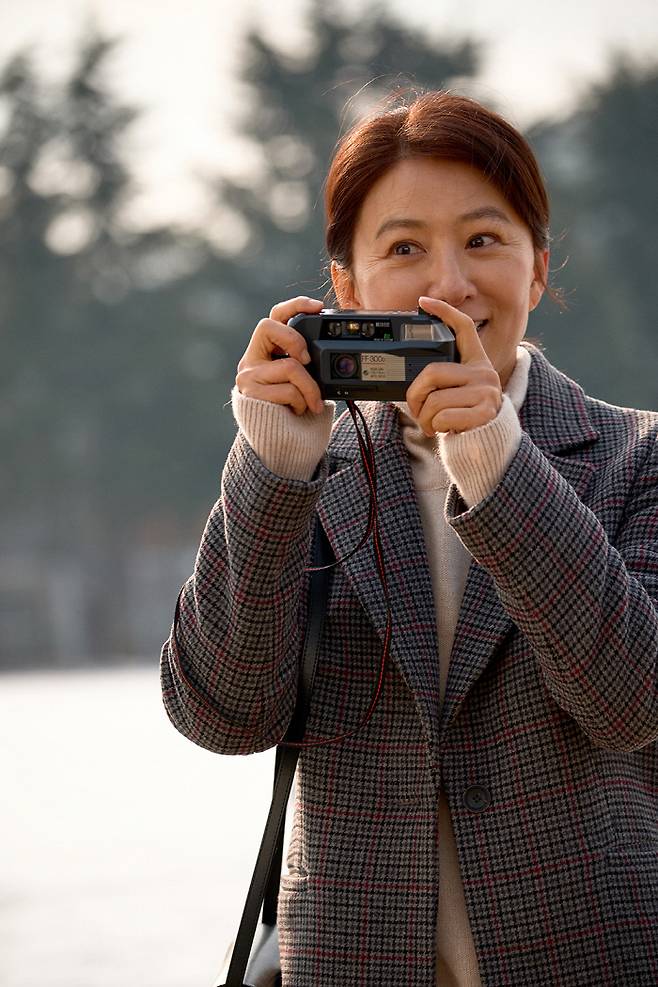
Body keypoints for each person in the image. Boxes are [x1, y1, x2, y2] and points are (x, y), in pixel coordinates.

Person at [160, 91, 658, 986]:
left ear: (538, 270)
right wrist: (270, 467)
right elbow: (222, 713)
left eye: (482, 240)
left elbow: (632, 700)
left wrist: (497, 464)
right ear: (346, 287)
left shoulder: (640, 456)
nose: (449, 285)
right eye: (402, 249)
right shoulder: (304, 469)